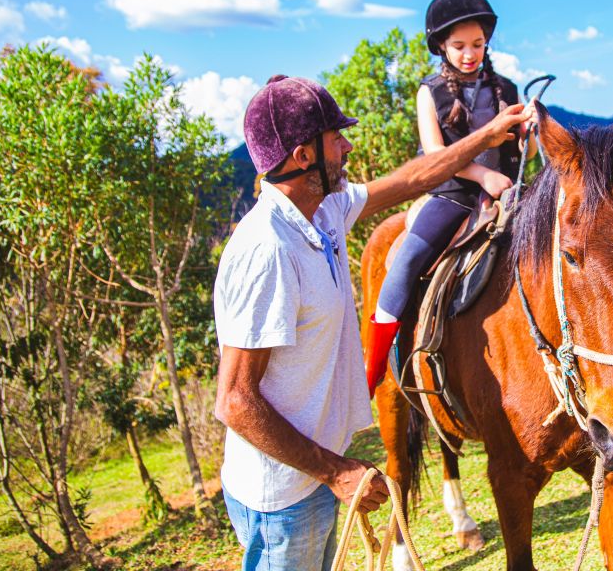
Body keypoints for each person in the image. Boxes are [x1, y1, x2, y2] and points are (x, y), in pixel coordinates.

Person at [213, 74, 532, 571]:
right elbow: (235, 400)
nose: (347, 145)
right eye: (335, 138)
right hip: (282, 497)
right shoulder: (267, 250)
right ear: (303, 156)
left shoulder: (323, 213)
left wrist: (485, 137)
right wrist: (335, 472)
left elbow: (413, 179)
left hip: (309, 476)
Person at [363, 0, 536, 396]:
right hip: (452, 196)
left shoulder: (506, 89)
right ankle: (372, 373)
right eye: (458, 46)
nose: (469, 54)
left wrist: (528, 130)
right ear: (441, 45)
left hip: (509, 192)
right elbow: (435, 155)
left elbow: (521, 144)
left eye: (477, 44)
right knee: (405, 261)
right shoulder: (430, 92)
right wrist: (483, 177)